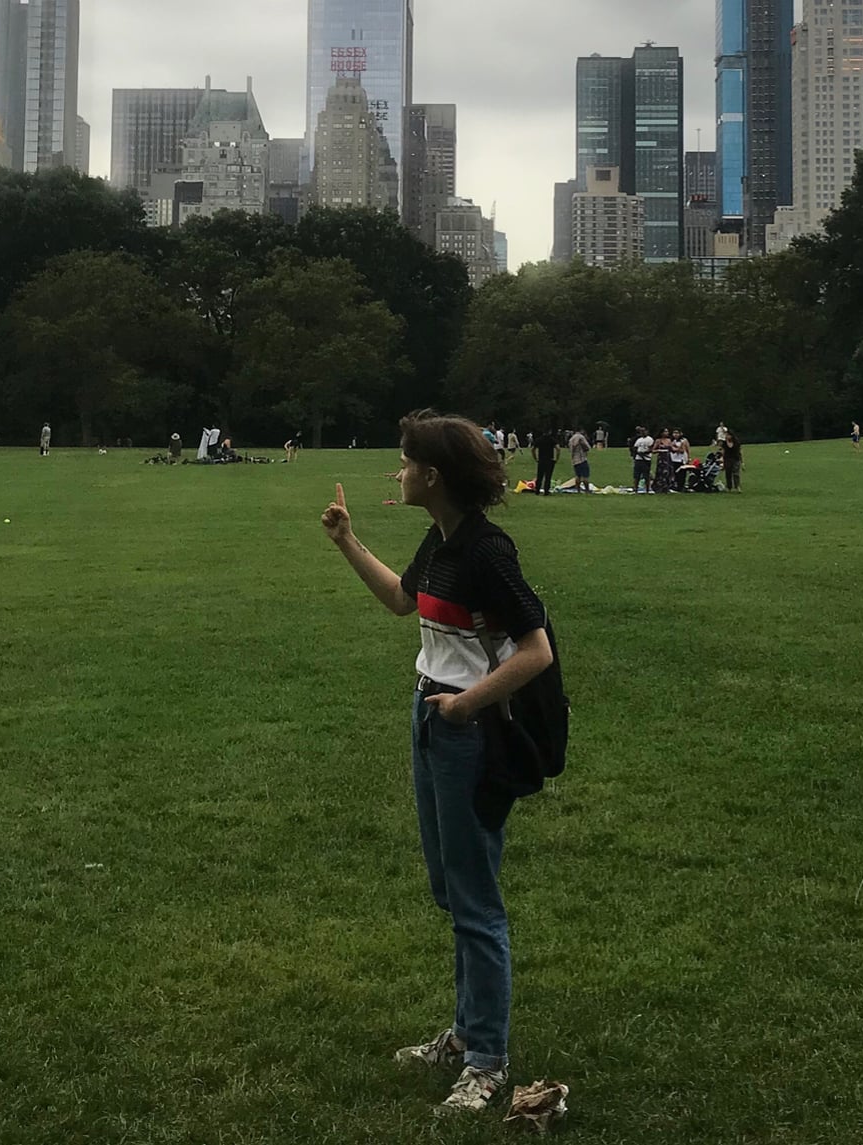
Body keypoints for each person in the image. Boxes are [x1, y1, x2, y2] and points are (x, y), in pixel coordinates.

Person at [321, 411, 554, 1116]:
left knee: (475, 899)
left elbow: (536, 650)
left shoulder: (487, 551)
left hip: (466, 732)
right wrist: (347, 540)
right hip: (432, 719)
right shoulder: (442, 539)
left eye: (404, 463)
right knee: (452, 890)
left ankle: (486, 1060)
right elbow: (402, 600)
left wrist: (464, 706)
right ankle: (465, 1033)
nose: (398, 472)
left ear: (432, 475)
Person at [532, 428, 560, 495]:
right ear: (549, 432)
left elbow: (533, 449)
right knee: (548, 476)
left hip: (541, 460)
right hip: (549, 460)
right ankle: (546, 491)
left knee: (539, 476)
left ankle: (537, 490)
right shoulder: (552, 439)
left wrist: (535, 458)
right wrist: (556, 458)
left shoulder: (539, 439)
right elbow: (558, 449)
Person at [567, 428, 593, 493]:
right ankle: (587, 490)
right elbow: (587, 447)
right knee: (585, 476)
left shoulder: (571, 439)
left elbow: (570, 449)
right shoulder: (581, 437)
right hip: (582, 459)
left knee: (577, 476)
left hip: (574, 460)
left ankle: (578, 490)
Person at [631, 427, 654, 493]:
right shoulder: (639, 440)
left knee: (646, 475)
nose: (643, 433)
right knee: (636, 475)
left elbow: (651, 448)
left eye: (644, 431)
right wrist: (637, 453)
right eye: (641, 431)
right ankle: (635, 488)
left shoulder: (650, 439)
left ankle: (647, 489)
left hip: (646, 459)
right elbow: (635, 447)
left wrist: (644, 453)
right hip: (638, 459)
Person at [652, 429, 675, 493]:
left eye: (667, 431)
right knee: (661, 472)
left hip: (668, 458)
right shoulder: (658, 440)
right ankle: (659, 486)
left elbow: (672, 449)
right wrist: (659, 450)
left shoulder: (669, 440)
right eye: (665, 431)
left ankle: (667, 487)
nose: (667, 433)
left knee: (669, 472)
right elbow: (653, 450)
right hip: (661, 458)